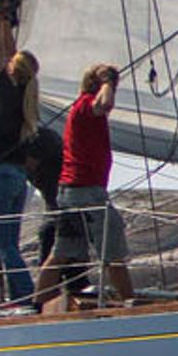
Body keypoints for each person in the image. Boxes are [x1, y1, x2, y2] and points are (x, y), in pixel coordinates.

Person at [48, 64, 122, 310]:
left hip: (74, 191)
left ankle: (37, 304)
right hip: (86, 192)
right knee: (113, 252)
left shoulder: (82, 108)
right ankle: (132, 305)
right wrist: (107, 81)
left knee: (62, 253)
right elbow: (105, 103)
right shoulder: (86, 106)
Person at [0, 48, 42, 308]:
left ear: (13, 68)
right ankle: (19, 299)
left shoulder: (7, 93)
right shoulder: (26, 96)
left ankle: (26, 296)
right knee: (10, 244)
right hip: (16, 177)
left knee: (2, 246)